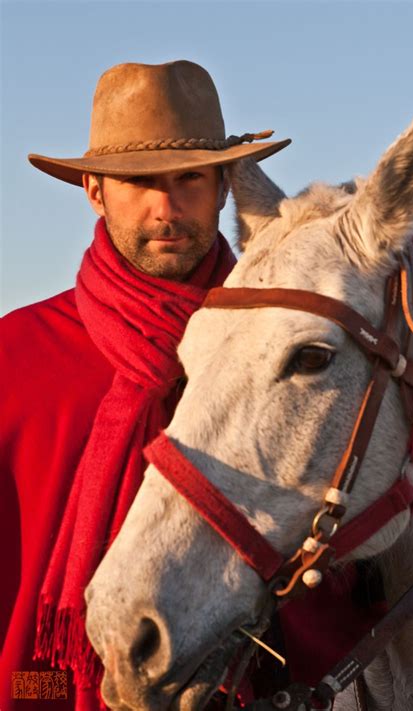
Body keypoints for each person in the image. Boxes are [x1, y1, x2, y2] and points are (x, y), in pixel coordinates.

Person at [0, 60, 291, 711]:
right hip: (43, 693)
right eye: (138, 182)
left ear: (224, 186)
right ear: (94, 191)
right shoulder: (14, 358)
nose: (165, 208)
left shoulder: (282, 354)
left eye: (188, 177)